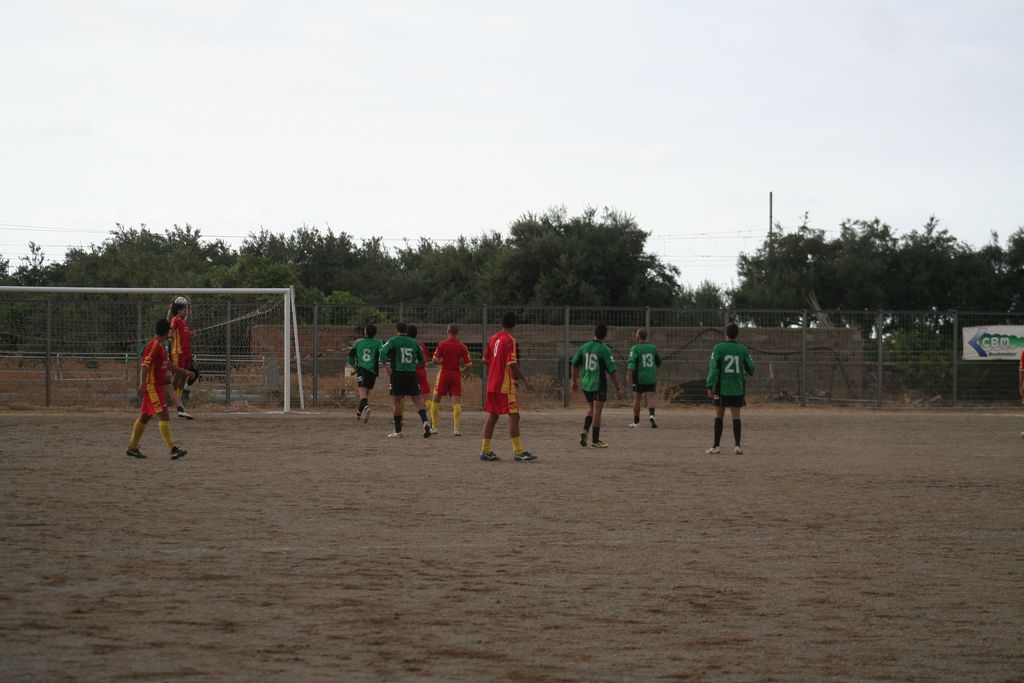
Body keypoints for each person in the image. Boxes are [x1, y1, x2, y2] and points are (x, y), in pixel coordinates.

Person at [126, 318, 194, 459]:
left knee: (145, 416)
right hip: (152, 387)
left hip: (156, 386)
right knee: (164, 415)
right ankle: (173, 449)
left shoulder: (161, 346)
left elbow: (167, 364)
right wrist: (142, 384)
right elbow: (145, 366)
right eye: (170, 330)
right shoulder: (154, 345)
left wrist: (184, 372)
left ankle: (132, 447)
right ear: (166, 332)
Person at [480, 311, 535, 462]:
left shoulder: (493, 338)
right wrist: (525, 381)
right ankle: (518, 452)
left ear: (501, 323)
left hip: (492, 383)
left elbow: (484, 360)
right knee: (514, 415)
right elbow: (512, 363)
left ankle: (485, 450)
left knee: (493, 415)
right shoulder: (510, 340)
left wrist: (494, 369)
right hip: (504, 384)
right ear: (515, 324)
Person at [705, 322, 755, 455]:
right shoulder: (743, 349)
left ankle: (716, 446)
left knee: (719, 416)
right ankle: (737, 446)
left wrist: (709, 385)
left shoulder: (718, 348)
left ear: (726, 333)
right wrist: (744, 373)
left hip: (722, 387)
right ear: (737, 334)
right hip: (738, 387)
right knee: (736, 416)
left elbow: (714, 368)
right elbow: (751, 368)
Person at [570, 322, 621, 448]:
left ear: (594, 333)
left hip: (586, 383)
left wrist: (574, 381)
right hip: (598, 384)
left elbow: (574, 364)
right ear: (605, 335)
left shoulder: (584, 347)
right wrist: (618, 387)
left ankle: (585, 430)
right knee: (597, 412)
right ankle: (595, 440)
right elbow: (612, 370)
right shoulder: (604, 349)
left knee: (592, 409)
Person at [379, 322, 432, 439]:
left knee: (396, 401)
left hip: (397, 374)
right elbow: (422, 359)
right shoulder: (414, 342)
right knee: (417, 400)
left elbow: (382, 351)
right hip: (411, 374)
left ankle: (398, 430)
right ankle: (425, 422)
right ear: (406, 331)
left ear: (397, 330)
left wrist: (385, 366)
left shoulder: (393, 340)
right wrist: (414, 363)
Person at [431, 323, 472, 436]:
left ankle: (434, 427)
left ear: (448, 331)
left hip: (444, 373)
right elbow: (469, 365)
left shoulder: (442, 344)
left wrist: (441, 362)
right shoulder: (462, 346)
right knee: (456, 401)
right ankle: (456, 429)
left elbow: (434, 360)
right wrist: (461, 371)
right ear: (457, 333)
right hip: (456, 374)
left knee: (436, 399)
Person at [347, 323, 384, 422]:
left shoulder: (358, 343)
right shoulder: (379, 343)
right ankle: (358, 414)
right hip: (373, 371)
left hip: (362, 369)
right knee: (365, 395)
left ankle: (367, 409)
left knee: (362, 392)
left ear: (365, 332)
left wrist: (355, 367)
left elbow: (350, 357)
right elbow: (383, 353)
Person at [626, 327, 662, 428]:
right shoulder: (653, 348)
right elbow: (659, 362)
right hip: (651, 377)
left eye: (636, 334)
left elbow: (631, 362)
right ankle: (651, 415)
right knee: (651, 398)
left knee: (637, 399)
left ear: (638, 336)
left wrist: (628, 374)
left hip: (639, 378)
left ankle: (636, 422)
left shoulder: (635, 348)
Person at [168, 299, 194, 420]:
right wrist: (169, 337)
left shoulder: (183, 323)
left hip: (187, 352)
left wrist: (191, 334)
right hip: (179, 352)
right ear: (179, 311)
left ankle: (178, 401)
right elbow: (171, 329)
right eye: (184, 310)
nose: (186, 312)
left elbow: (184, 334)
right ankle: (171, 399)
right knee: (178, 375)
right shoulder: (176, 320)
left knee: (184, 375)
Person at [407, 324, 434, 429]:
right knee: (425, 396)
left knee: (400, 395)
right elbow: (426, 358)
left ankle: (400, 418)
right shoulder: (421, 344)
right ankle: (432, 417)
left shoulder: (406, 344)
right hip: (421, 371)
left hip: (410, 371)